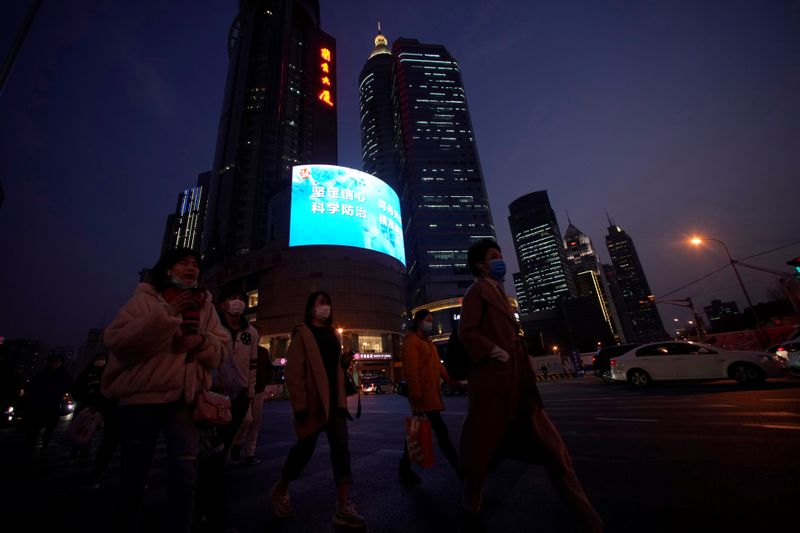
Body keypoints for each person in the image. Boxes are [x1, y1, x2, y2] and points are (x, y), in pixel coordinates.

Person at [458, 239, 603, 533]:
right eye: (494, 257)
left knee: (557, 455)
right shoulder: (477, 292)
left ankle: (592, 522)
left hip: (521, 386)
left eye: (500, 255)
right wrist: (494, 352)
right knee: (480, 455)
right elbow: (467, 332)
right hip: (496, 388)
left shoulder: (501, 292)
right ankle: (471, 511)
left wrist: (524, 358)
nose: (501, 261)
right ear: (480, 265)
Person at [101, 247, 229, 533]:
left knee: (185, 474)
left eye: (195, 264)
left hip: (185, 399)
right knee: (134, 475)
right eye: (184, 263)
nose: (192, 268)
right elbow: (119, 342)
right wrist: (168, 314)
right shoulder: (146, 300)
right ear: (168, 270)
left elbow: (222, 349)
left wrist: (201, 342)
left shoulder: (205, 305)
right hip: (140, 400)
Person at [269, 291, 365, 528]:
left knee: (341, 450)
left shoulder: (333, 334)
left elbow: (332, 367)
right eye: (321, 303)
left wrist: (342, 363)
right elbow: (294, 371)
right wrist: (300, 404)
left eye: (328, 303)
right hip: (313, 402)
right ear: (311, 307)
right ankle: (281, 488)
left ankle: (343, 506)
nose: (326, 307)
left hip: (335, 402)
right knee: (304, 450)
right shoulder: (302, 333)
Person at [399, 308, 460, 485]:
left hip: (431, 395)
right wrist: (416, 398)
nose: (430, 323)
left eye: (431, 320)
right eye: (428, 319)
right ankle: (459, 469)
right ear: (418, 321)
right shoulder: (411, 342)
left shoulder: (429, 342)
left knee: (415, 432)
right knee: (441, 433)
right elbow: (411, 373)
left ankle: (404, 469)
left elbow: (438, 367)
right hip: (423, 397)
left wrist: (450, 381)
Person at [215, 287, 259, 461]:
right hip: (215, 393)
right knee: (213, 442)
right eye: (233, 298)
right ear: (222, 305)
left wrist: (250, 390)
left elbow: (253, 364)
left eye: (241, 298)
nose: (238, 302)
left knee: (229, 437)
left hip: (240, 395)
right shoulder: (214, 328)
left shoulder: (251, 332)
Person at [70, 352, 119, 486]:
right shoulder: (87, 373)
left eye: (103, 359)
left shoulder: (109, 373)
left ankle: (84, 450)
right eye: (98, 359)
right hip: (88, 406)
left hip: (106, 407)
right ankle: (79, 447)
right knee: (86, 429)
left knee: (103, 436)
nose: (100, 361)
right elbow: (76, 388)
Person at [22, 353, 71, 457]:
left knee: (49, 429)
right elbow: (31, 387)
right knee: (34, 428)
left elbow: (68, 388)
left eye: (57, 362)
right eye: (53, 361)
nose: (55, 364)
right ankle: (30, 446)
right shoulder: (42, 374)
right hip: (39, 405)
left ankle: (44, 447)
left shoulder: (64, 376)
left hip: (53, 406)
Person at [233, 345, 271, 465]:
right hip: (244, 390)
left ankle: (249, 452)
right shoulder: (243, 349)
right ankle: (237, 444)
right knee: (247, 419)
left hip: (259, 389)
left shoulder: (263, 351)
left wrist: (266, 382)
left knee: (255, 421)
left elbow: (268, 368)